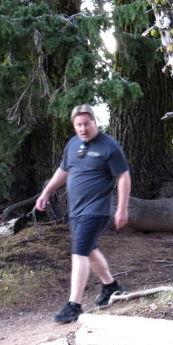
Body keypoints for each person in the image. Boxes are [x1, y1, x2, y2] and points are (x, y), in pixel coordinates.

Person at [36, 104, 131, 323]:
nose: (83, 129)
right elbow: (64, 170)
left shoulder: (109, 146)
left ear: (94, 122)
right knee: (89, 249)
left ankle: (74, 305)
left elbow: (123, 176)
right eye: (78, 125)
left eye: (87, 124)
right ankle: (111, 287)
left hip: (96, 211)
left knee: (79, 251)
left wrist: (122, 208)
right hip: (76, 210)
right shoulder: (73, 144)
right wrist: (46, 192)